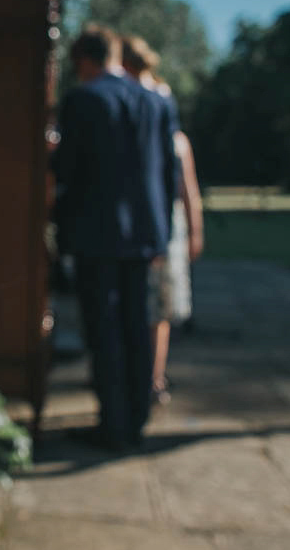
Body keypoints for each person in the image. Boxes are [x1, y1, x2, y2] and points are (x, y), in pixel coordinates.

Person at [52, 25, 177, 450]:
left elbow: (68, 169)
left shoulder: (83, 98)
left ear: (84, 61)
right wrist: (164, 235)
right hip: (144, 233)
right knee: (137, 326)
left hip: (97, 232)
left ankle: (113, 425)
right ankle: (137, 417)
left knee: (103, 329)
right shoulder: (154, 100)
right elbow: (166, 171)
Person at [121, 36, 204, 405]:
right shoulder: (153, 108)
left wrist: (194, 231)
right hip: (158, 220)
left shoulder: (149, 110)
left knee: (158, 306)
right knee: (156, 308)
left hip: (159, 221)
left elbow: (187, 188)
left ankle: (153, 377)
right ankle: (151, 377)